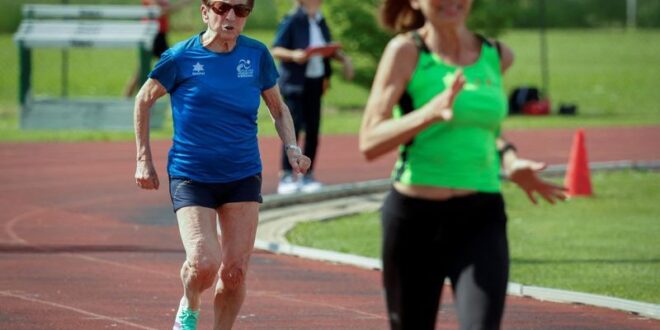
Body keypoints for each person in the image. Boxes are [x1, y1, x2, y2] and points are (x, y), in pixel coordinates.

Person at [358, 0, 566, 329]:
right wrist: (430, 112)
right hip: (414, 219)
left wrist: (511, 161)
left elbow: (485, 132)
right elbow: (370, 141)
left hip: (480, 218)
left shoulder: (497, 55)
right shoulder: (406, 51)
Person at [133, 1, 311, 329]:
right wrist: (144, 159)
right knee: (203, 264)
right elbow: (143, 99)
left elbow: (278, 107)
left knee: (234, 272)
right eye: (222, 7)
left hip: (241, 173)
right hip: (192, 175)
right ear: (205, 12)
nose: (230, 16)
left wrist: (292, 148)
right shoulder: (180, 57)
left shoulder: (256, 55)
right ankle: (190, 303)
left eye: (241, 10)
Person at [271, 0, 354, 194]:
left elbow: (326, 47)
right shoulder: (291, 20)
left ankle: (307, 176)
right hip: (295, 83)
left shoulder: (320, 21)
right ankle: (286, 176)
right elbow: (276, 48)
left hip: (315, 83)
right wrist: (295, 55)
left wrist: (344, 59)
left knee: (313, 130)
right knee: (293, 128)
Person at [124, 0, 194, 97]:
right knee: (173, 65)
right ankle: (129, 98)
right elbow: (160, 12)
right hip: (151, 34)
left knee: (143, 70)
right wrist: (182, 4)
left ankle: (127, 98)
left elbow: (166, 12)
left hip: (160, 35)